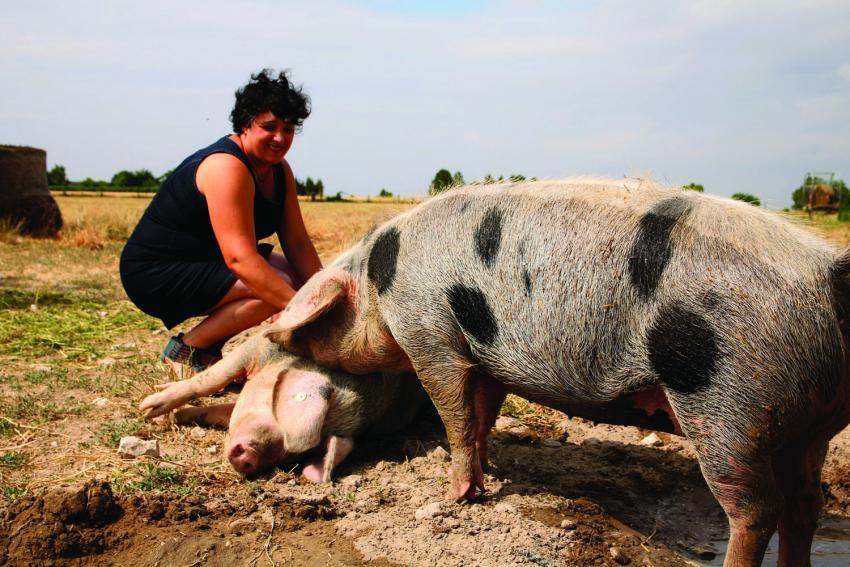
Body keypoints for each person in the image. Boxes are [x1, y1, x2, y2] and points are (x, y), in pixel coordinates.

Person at [120, 69, 323, 375]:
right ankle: (185, 350)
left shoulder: (280, 171)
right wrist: (304, 312)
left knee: (294, 279)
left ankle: (208, 350)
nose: (280, 138)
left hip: (205, 261)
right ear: (245, 124)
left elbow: (297, 243)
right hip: (155, 271)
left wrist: (325, 293)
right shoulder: (226, 167)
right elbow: (238, 257)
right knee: (275, 286)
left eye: (288, 128)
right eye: (269, 127)